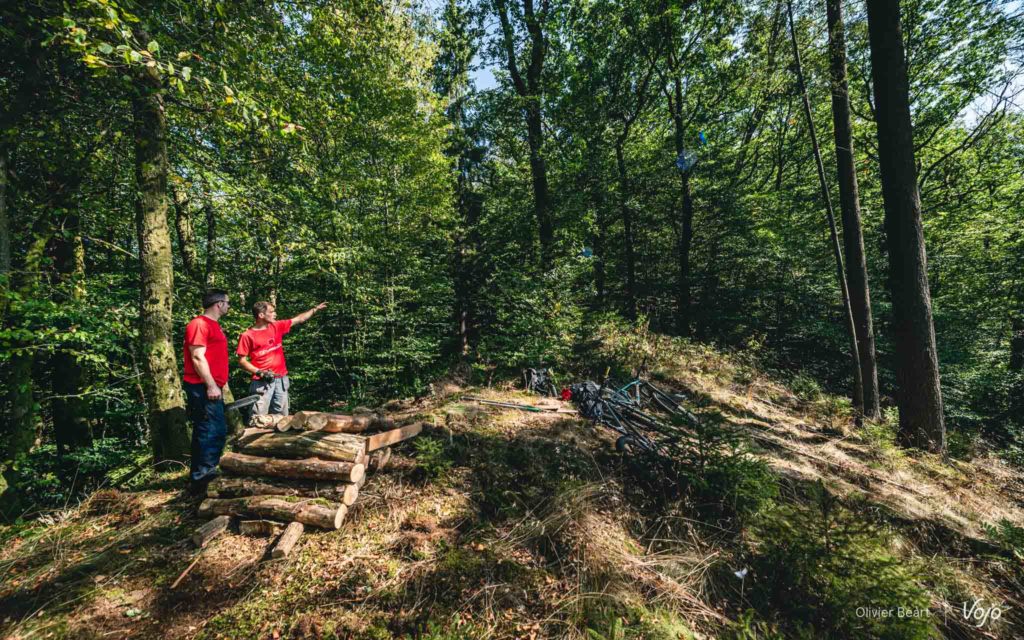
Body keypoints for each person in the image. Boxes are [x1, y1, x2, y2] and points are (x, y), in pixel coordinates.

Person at [236, 300, 327, 417]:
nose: (275, 314)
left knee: (282, 419)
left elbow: (299, 319)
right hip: (261, 382)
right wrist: (260, 372)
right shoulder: (247, 335)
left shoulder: (276, 326)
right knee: (258, 418)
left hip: (281, 380)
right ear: (261, 315)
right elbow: (242, 361)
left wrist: (315, 309)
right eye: (271, 312)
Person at [183, 289, 231, 493]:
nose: (228, 306)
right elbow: (197, 357)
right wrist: (210, 384)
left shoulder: (214, 325)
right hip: (202, 386)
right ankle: (203, 479)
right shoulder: (199, 324)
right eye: (227, 303)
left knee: (212, 430)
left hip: (211, 386)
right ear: (219, 304)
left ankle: (201, 476)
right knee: (211, 431)